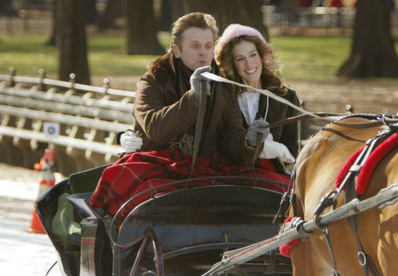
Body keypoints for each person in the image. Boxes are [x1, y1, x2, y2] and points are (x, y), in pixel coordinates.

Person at [90, 12, 287, 218]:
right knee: (148, 202)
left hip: (208, 168)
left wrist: (250, 142)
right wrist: (193, 99)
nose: (203, 53)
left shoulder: (223, 86)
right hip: (159, 166)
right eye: (195, 46)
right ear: (176, 50)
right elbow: (155, 129)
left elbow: (231, 140)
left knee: (277, 190)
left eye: (208, 46)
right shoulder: (154, 81)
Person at [215, 24, 300, 173]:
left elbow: (292, 152)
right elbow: (221, 146)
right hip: (231, 178)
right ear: (232, 64)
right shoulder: (224, 98)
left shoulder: (285, 97)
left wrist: (281, 151)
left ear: (263, 57)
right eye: (240, 59)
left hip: (273, 180)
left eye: (253, 55)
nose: (249, 64)